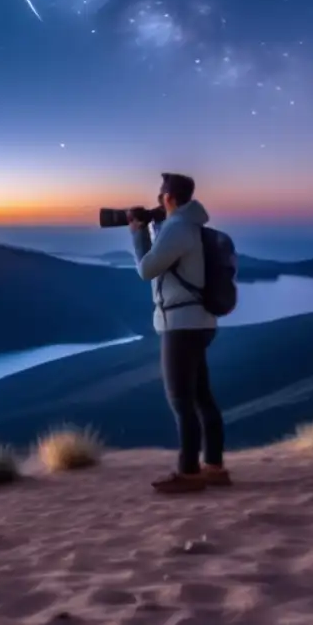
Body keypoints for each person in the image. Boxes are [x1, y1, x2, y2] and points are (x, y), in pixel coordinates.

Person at [129, 172, 232, 494]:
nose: (158, 200)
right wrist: (154, 226)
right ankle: (213, 466)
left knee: (180, 400)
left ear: (169, 198)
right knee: (201, 397)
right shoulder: (189, 227)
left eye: (161, 195)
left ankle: (188, 473)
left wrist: (137, 233)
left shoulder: (179, 228)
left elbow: (147, 269)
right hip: (199, 322)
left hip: (181, 325)